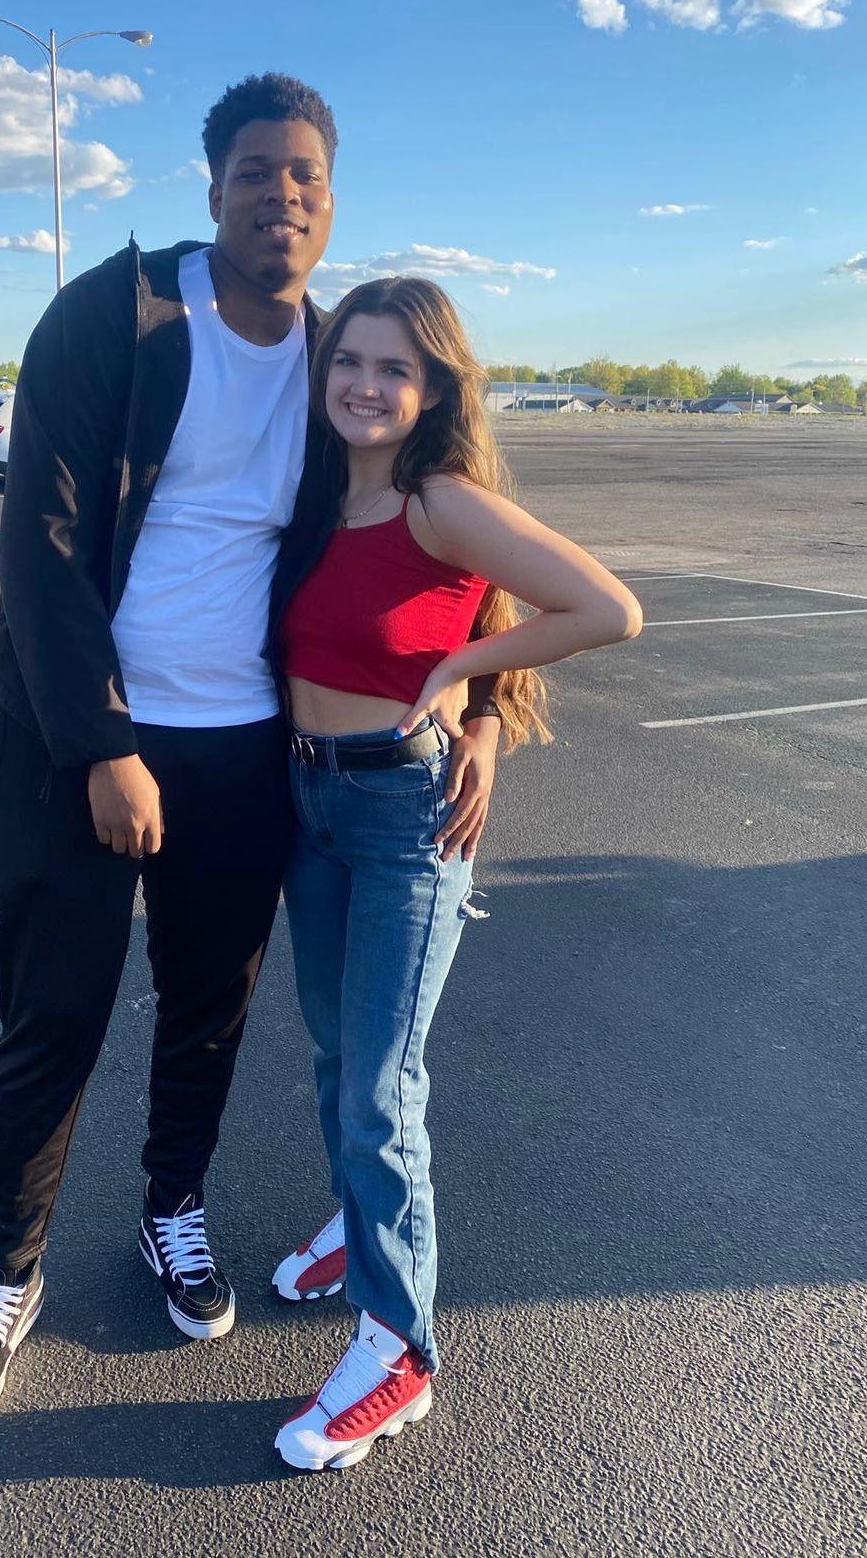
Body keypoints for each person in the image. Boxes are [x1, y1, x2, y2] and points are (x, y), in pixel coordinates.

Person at [0, 76, 504, 1434]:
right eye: (256, 172)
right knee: (55, 1012)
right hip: (81, 743)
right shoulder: (117, 318)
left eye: (306, 177)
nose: (280, 197)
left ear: (330, 201)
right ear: (213, 189)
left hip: (247, 751)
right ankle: (3, 1274)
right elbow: (41, 544)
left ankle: (171, 1209)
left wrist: (485, 708)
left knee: (208, 1010)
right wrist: (103, 744)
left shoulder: (339, 360)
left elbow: (442, 534)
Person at [267, 277, 644, 1471]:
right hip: (308, 800)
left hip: (403, 814)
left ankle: (400, 1352)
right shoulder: (318, 492)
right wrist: (476, 696)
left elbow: (607, 609)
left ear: (433, 389)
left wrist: (463, 678)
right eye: (349, 360)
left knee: (382, 1087)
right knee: (337, 1052)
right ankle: (361, 1224)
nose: (365, 385)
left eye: (395, 368)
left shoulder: (442, 502)